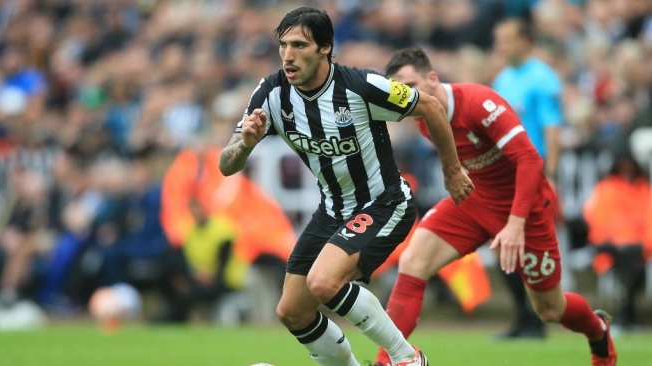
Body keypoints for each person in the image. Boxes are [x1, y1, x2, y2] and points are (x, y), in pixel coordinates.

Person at [218, 7, 473, 366]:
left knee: (323, 282)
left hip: (385, 204)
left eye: (300, 45)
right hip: (332, 212)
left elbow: (429, 106)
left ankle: (408, 359)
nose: (288, 55)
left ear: (325, 48)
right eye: (283, 45)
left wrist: (452, 170)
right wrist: (245, 143)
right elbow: (226, 165)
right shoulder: (272, 93)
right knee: (292, 311)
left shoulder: (361, 86)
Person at [373, 47, 616, 366]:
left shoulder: (478, 103)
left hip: (524, 209)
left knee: (550, 310)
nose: (408, 96)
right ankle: (387, 360)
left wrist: (515, 224)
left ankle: (598, 331)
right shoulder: (423, 118)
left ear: (433, 78)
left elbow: (529, 159)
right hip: (475, 201)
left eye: (412, 85)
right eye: (401, 91)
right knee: (413, 261)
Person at [490, 17, 564, 339]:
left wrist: (552, 174)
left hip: (532, 172)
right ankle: (524, 316)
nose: (500, 47)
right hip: (504, 174)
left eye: (506, 40)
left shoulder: (542, 79)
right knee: (502, 247)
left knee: (529, 247)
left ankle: (538, 317)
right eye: (498, 40)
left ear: (524, 41)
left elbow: (552, 128)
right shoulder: (503, 78)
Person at [583, 152, 651, 332]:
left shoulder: (643, 189)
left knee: (635, 273)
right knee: (623, 273)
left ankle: (626, 317)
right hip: (611, 246)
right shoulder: (607, 188)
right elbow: (599, 219)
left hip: (637, 248)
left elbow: (648, 220)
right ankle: (620, 317)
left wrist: (643, 244)